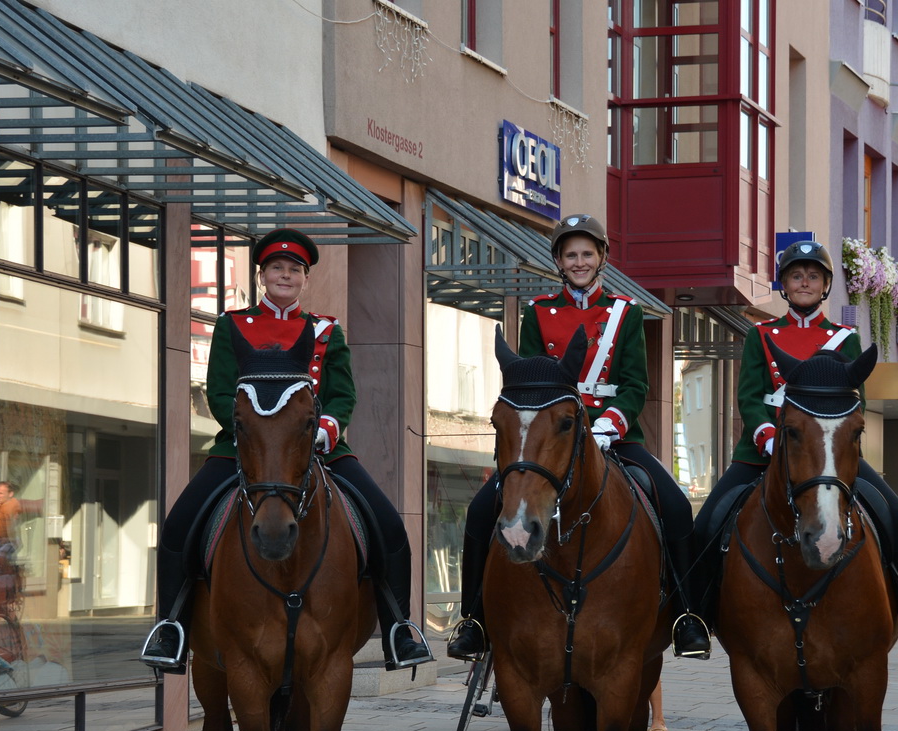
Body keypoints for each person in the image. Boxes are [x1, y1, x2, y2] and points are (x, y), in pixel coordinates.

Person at [141, 228, 433, 674]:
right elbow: (220, 391)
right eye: (276, 267)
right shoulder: (232, 325)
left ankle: (399, 629)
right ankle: (171, 628)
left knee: (389, 526)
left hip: (320, 450)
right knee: (179, 525)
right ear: (261, 275)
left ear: (305, 279)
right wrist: (250, 434)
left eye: (294, 269)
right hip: (243, 450)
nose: (285, 275)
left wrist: (326, 429)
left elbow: (342, 395)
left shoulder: (326, 330)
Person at [446, 214, 711, 662]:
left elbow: (635, 385)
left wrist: (606, 426)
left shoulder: (626, 313)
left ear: (602, 257)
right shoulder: (538, 312)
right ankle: (473, 620)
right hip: (551, 437)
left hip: (613, 437)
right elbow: (530, 382)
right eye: (571, 254)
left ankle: (687, 615)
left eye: (588, 253)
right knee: (479, 510)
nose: (580, 261)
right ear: (558, 261)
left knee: (676, 506)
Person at [686, 239, 898, 651]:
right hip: (764, 453)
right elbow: (749, 397)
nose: (804, 282)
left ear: (825, 286)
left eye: (812, 276)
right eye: (795, 276)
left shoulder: (845, 339)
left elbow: (857, 402)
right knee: (707, 522)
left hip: (829, 457)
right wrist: (768, 436)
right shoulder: (760, 335)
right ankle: (695, 616)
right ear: (784, 285)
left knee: (895, 515)